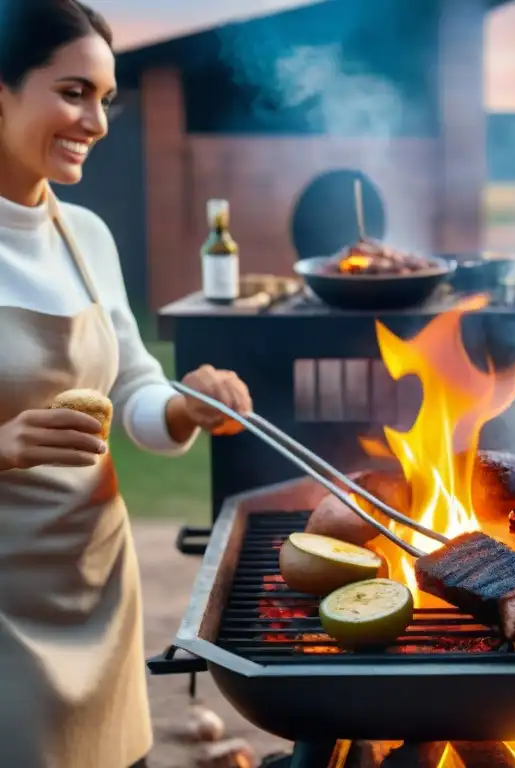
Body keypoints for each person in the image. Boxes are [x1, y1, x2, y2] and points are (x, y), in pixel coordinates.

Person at [0, 1, 253, 766]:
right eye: (74, 92)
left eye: (105, 99)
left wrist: (183, 404)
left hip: (100, 586)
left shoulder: (88, 236)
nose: (98, 121)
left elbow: (134, 388)